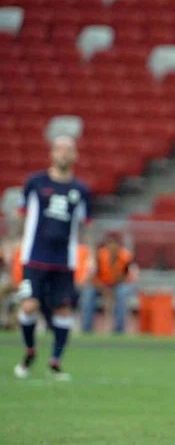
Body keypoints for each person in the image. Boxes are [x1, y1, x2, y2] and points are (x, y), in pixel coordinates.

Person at [12, 135, 92, 382]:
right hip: (34, 257)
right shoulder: (35, 183)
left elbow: (86, 226)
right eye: (60, 149)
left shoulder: (81, 190)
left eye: (69, 149)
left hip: (63, 260)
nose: (64, 154)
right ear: (52, 153)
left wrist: (89, 256)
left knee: (63, 310)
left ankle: (55, 361)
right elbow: (22, 216)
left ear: (75, 155)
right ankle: (29, 351)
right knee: (29, 305)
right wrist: (12, 243)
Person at [80, 231, 137, 334]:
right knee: (88, 293)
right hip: (101, 285)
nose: (112, 247)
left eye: (114, 244)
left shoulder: (125, 257)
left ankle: (119, 329)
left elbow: (128, 278)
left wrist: (114, 264)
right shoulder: (100, 255)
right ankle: (87, 328)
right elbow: (92, 278)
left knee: (122, 293)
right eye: (109, 243)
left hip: (118, 285)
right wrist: (104, 289)